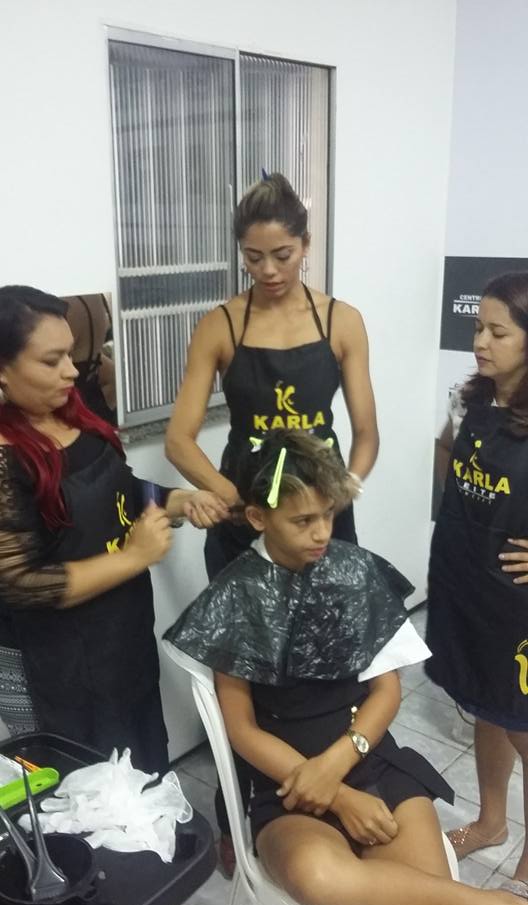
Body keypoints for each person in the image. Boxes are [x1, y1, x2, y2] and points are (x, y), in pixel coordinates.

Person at [165, 429, 528, 905]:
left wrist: (339, 764)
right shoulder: (234, 597)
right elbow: (241, 729)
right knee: (318, 877)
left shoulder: (356, 572)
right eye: (302, 521)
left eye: (328, 516)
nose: (320, 534)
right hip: (287, 785)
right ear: (259, 518)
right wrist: (334, 794)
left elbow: (387, 692)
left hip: (371, 760)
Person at [165, 172, 379, 867]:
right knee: (246, 680)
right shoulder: (221, 324)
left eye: (282, 255)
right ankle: (240, 817)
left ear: (306, 246)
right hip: (244, 527)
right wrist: (232, 498)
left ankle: (334, 791)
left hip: (321, 522)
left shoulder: (340, 321)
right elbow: (180, 439)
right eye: (253, 257)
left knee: (329, 664)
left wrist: (343, 491)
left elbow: (366, 433)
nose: (268, 270)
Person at [0, 285, 228, 772]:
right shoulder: (5, 457)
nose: (71, 371)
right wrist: (133, 557)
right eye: (51, 360)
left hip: (120, 640)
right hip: (57, 669)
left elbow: (118, 491)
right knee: (88, 794)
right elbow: (20, 583)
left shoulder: (72, 415)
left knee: (143, 769)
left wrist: (176, 500)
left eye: (70, 354)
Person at [426, 272, 528, 885]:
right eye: (478, 328)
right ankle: (492, 822)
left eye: (499, 332)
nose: (481, 343)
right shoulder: (467, 400)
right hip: (467, 579)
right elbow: (446, 452)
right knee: (486, 706)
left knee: (523, 722)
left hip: (519, 603)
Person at [63, 293, 117, 425]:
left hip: (73, 416)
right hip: (97, 409)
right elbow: (112, 376)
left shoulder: (65, 303)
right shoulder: (93, 296)